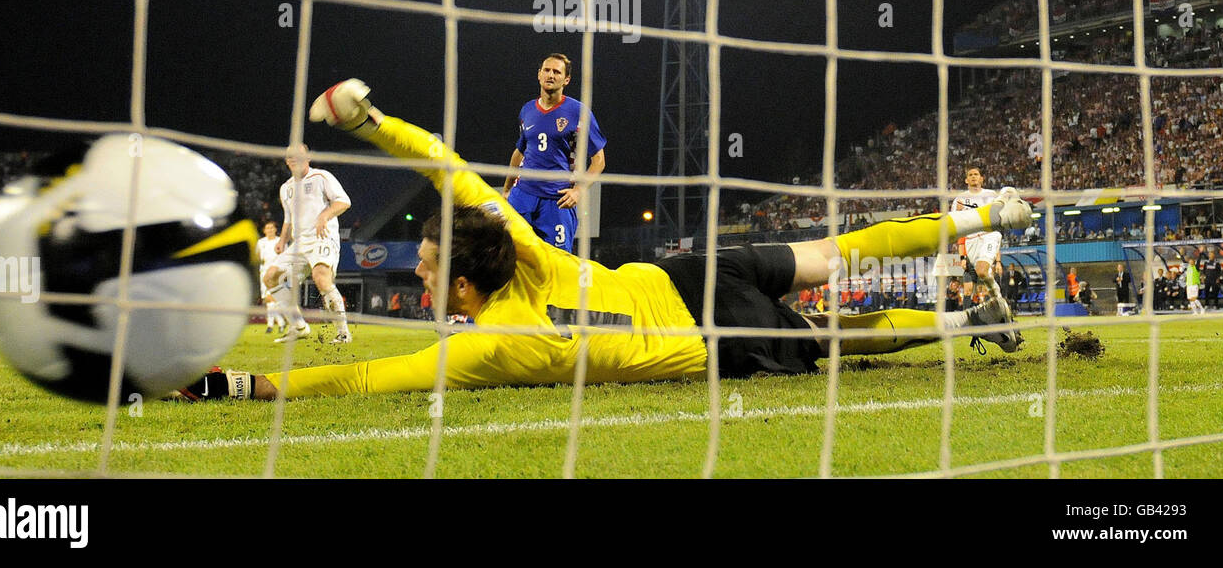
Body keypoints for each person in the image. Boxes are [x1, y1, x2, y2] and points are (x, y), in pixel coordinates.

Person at [181, 79, 1031, 401]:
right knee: (841, 253)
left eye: (428, 269)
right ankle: (984, 214)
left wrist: (243, 386)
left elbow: (371, 375)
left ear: (462, 294)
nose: (422, 273)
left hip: (709, 340)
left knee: (841, 341)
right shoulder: (525, 249)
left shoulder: (492, 347)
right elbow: (446, 163)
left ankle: (968, 324)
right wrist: (368, 120)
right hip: (690, 278)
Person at [501, 54, 606, 252]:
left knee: (557, 263)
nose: (551, 75)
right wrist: (507, 190)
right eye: (546, 70)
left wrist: (578, 190)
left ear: (566, 80)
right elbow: (520, 151)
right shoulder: (527, 110)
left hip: (556, 201)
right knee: (508, 255)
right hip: (523, 195)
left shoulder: (578, 112)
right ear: (539, 75)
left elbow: (599, 160)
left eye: (557, 72)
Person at [263, 143, 352, 343]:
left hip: (322, 237)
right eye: (289, 156)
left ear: (308, 158)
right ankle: (299, 327)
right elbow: (288, 219)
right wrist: (282, 241)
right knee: (270, 277)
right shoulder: (285, 188)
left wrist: (325, 215)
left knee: (321, 277)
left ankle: (343, 333)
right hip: (299, 243)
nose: (293, 158)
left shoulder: (321, 177)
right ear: (287, 161)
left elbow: (344, 201)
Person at [950, 165, 1004, 287]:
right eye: (970, 175)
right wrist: (957, 212)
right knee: (982, 274)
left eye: (976, 174)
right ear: (966, 180)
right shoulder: (960, 199)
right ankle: (997, 297)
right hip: (971, 240)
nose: (973, 177)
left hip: (989, 235)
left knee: (983, 269)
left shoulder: (991, 195)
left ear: (981, 179)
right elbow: (955, 222)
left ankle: (997, 299)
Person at [257, 219, 288, 335]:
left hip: (276, 273)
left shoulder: (280, 242)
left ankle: (271, 325)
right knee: (268, 300)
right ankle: (279, 323)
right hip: (264, 273)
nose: (270, 230)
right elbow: (258, 258)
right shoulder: (261, 243)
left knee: (274, 299)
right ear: (264, 231)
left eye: (272, 227)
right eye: (267, 228)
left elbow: (285, 258)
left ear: (276, 229)